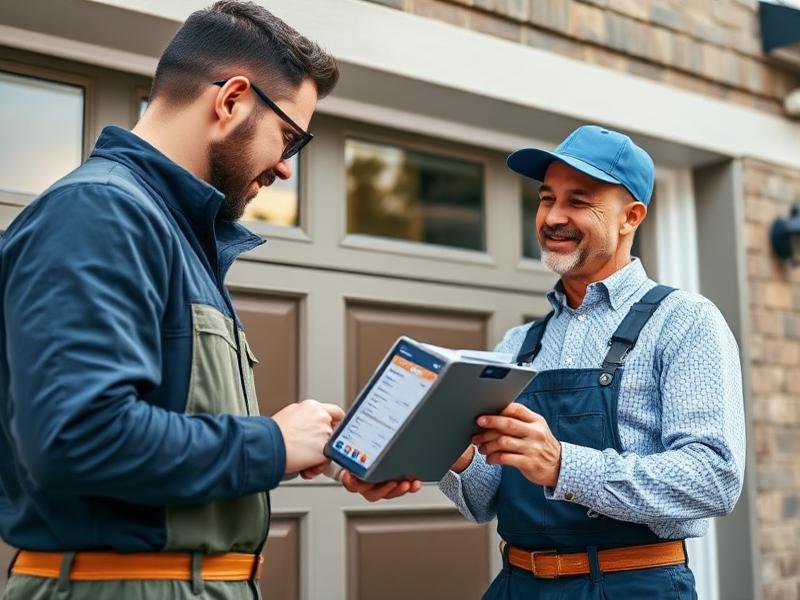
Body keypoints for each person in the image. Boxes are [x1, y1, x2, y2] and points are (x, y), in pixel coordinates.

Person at [0, 2, 346, 598]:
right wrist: (271, 442)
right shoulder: (101, 212)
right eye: (288, 138)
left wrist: (297, 450)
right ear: (232, 98)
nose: (286, 170)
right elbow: (76, 436)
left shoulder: (171, 230)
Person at [439, 125, 746, 599]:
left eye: (578, 201)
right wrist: (454, 453)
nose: (553, 217)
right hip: (516, 585)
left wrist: (563, 464)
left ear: (631, 217)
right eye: (546, 198)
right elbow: (483, 501)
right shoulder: (519, 344)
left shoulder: (684, 321)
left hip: (632, 586)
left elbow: (714, 479)